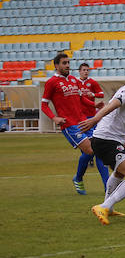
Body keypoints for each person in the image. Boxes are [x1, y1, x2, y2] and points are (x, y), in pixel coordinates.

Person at [78, 61, 125, 225]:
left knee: (120, 173)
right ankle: (105, 206)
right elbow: (112, 105)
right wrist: (95, 119)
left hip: (109, 140)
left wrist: (124, 143)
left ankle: (108, 209)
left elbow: (121, 122)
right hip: (106, 140)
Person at [41, 53, 109, 195]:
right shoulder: (52, 82)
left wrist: (94, 105)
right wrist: (54, 118)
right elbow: (44, 106)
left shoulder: (73, 80)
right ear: (56, 65)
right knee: (91, 150)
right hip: (69, 124)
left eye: (68, 63)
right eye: (64, 63)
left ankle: (107, 187)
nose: (67, 65)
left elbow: (80, 98)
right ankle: (78, 178)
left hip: (83, 121)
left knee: (98, 151)